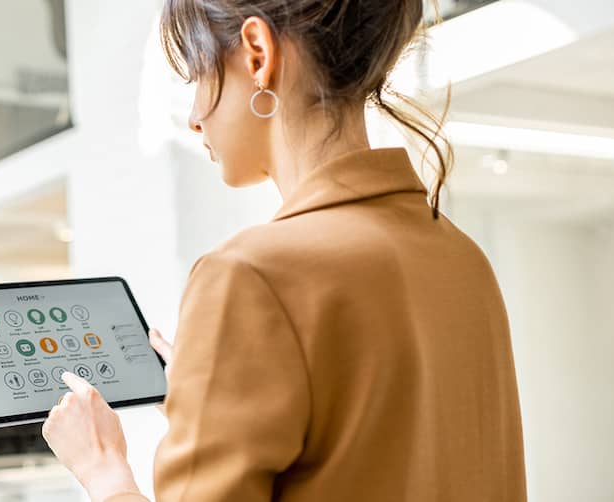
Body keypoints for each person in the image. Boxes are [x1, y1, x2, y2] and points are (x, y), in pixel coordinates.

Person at [40, 0, 527, 501]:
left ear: (257, 54)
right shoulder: (463, 259)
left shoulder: (249, 276)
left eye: (197, 75)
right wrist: (214, 400)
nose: (193, 117)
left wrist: (105, 472)